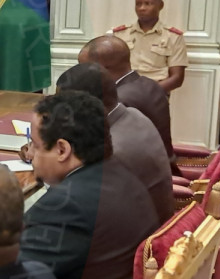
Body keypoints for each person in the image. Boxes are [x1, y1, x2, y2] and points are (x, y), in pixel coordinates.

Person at [20, 92, 159, 279]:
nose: (30, 154)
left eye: (34, 144)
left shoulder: (67, 206)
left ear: (62, 150)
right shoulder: (120, 174)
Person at [55, 62, 174, 221]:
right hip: (154, 219)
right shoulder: (133, 114)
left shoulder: (109, 153)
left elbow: (70, 198)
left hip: (135, 231)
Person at [79, 35, 175, 166]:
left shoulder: (116, 101)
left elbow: (101, 151)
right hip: (163, 167)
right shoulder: (151, 84)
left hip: (138, 174)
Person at [111, 0, 187, 93]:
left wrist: (148, 93)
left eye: (148, 3)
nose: (142, 8)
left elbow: (177, 78)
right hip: (123, 91)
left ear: (160, 5)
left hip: (156, 92)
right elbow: (110, 69)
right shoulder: (120, 34)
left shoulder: (173, 37)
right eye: (138, 4)